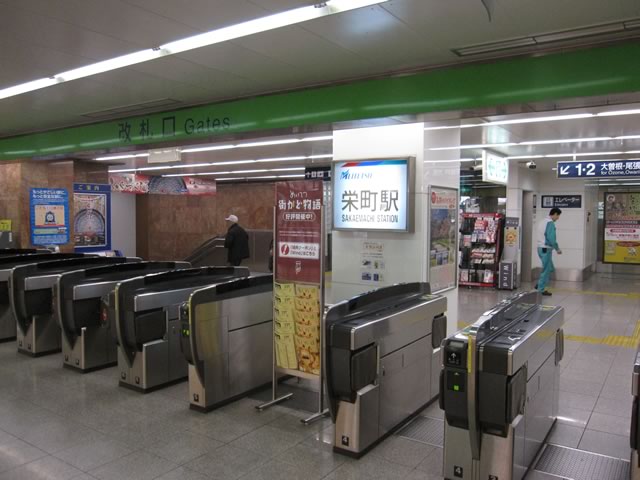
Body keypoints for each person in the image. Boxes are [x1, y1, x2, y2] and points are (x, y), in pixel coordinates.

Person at [536, 207, 563, 296]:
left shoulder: (542, 221)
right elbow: (552, 239)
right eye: (558, 216)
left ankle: (539, 284)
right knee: (546, 270)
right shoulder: (550, 223)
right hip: (546, 249)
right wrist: (557, 249)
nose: (558, 218)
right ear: (554, 214)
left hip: (540, 248)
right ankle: (541, 289)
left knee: (550, 268)